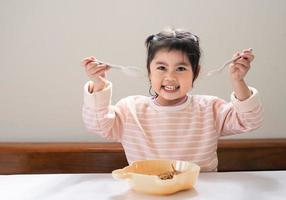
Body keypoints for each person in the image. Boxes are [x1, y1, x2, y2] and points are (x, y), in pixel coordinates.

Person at [81, 28, 263, 172]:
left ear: (195, 73)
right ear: (149, 71)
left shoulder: (210, 108)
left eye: (181, 68)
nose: (170, 76)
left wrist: (238, 81)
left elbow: (250, 120)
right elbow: (98, 125)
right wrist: (98, 84)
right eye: (161, 67)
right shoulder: (131, 110)